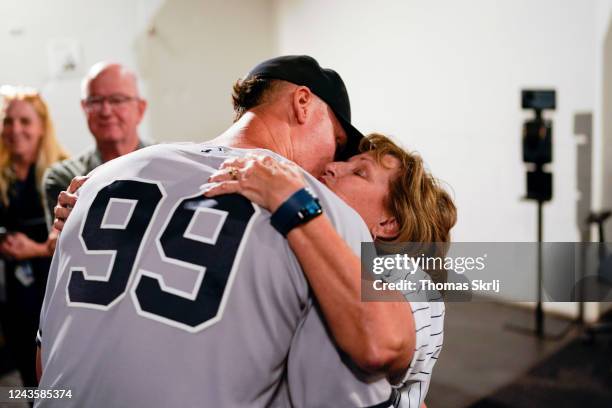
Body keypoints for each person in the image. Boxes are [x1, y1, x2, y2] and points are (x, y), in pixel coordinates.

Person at [37, 55, 417, 407]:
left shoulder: (99, 180)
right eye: (335, 142)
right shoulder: (313, 209)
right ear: (303, 103)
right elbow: (376, 355)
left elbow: (45, 358)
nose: (332, 163)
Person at [204, 132, 456, 407]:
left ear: (388, 223)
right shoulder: (306, 247)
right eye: (345, 162)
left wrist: (292, 201)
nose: (332, 167)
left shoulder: (412, 279)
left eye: (359, 172)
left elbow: (380, 342)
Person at [0, 86, 69, 391]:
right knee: (30, 385)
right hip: (15, 301)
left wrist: (36, 250)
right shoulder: (3, 177)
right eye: (7, 121)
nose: (15, 130)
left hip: (56, 293)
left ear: (41, 126)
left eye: (24, 121)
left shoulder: (64, 173)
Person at [41, 62, 151, 230]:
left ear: (140, 109)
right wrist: (63, 235)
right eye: (96, 101)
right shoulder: (64, 178)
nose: (106, 111)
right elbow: (58, 248)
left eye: (117, 100)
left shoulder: (173, 165)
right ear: (84, 108)